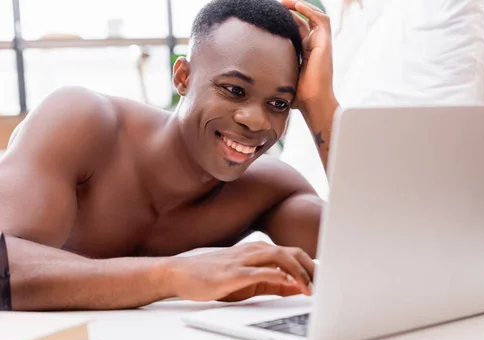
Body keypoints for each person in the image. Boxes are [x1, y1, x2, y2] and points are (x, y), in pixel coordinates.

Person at [0, 0, 339, 311]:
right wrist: (172, 275)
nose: (256, 120)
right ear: (183, 77)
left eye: (279, 104)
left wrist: (320, 104)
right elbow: (4, 263)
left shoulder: (268, 191)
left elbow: (380, 253)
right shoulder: (80, 122)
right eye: (234, 90)